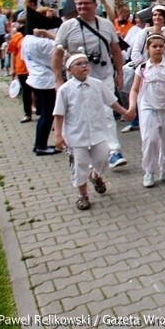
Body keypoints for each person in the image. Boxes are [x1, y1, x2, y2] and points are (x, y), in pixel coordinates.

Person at [53, 0, 126, 167]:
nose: (82, 7)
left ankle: (114, 151)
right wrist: (57, 79)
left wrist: (120, 73)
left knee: (107, 112)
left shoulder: (106, 24)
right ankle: (87, 151)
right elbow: (57, 54)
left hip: (103, 75)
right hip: (78, 80)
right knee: (83, 115)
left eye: (86, 3)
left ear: (95, 5)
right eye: (79, 4)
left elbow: (115, 50)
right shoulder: (67, 27)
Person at [53, 53, 128, 211]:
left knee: (102, 157)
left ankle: (95, 176)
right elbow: (59, 114)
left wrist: (125, 112)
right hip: (76, 135)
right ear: (70, 70)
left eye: (85, 63)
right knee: (80, 164)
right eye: (79, 64)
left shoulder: (97, 84)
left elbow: (111, 101)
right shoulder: (65, 90)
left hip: (98, 132)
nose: (84, 66)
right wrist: (58, 135)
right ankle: (83, 195)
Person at [125, 33, 165, 188]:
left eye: (161, 46)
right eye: (154, 46)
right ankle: (149, 171)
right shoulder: (142, 68)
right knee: (150, 140)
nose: (158, 49)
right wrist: (131, 107)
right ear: (147, 49)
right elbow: (135, 90)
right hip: (148, 108)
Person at [22, 26, 61, 155]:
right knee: (47, 114)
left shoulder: (27, 40)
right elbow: (62, 45)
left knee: (45, 114)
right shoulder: (43, 43)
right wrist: (48, 34)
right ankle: (41, 146)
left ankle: (40, 143)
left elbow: (24, 58)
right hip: (46, 81)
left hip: (35, 78)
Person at [8, 13, 32, 123]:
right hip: (22, 69)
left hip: (33, 69)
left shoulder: (34, 36)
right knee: (26, 92)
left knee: (38, 92)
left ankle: (40, 111)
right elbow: (13, 53)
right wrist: (12, 69)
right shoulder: (17, 37)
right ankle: (27, 113)